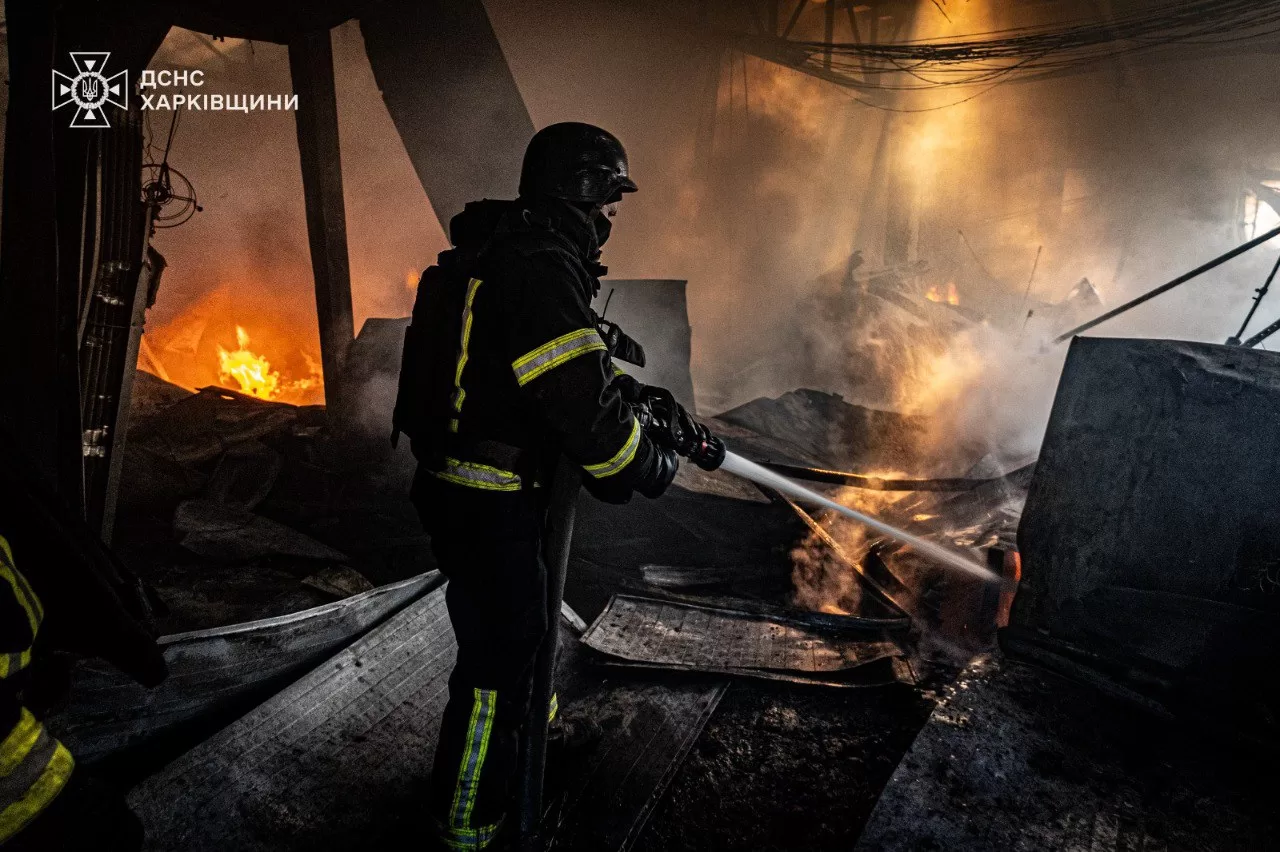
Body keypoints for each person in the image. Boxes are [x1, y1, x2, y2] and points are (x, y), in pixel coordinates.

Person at [393, 122, 681, 850]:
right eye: (608, 199)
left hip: (467, 488)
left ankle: (532, 745)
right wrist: (647, 462)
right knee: (499, 658)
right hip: (490, 496)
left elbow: (538, 369)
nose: (611, 216)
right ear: (578, 190)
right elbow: (581, 411)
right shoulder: (539, 267)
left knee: (523, 629)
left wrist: (626, 391)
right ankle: (469, 820)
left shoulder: (504, 252)